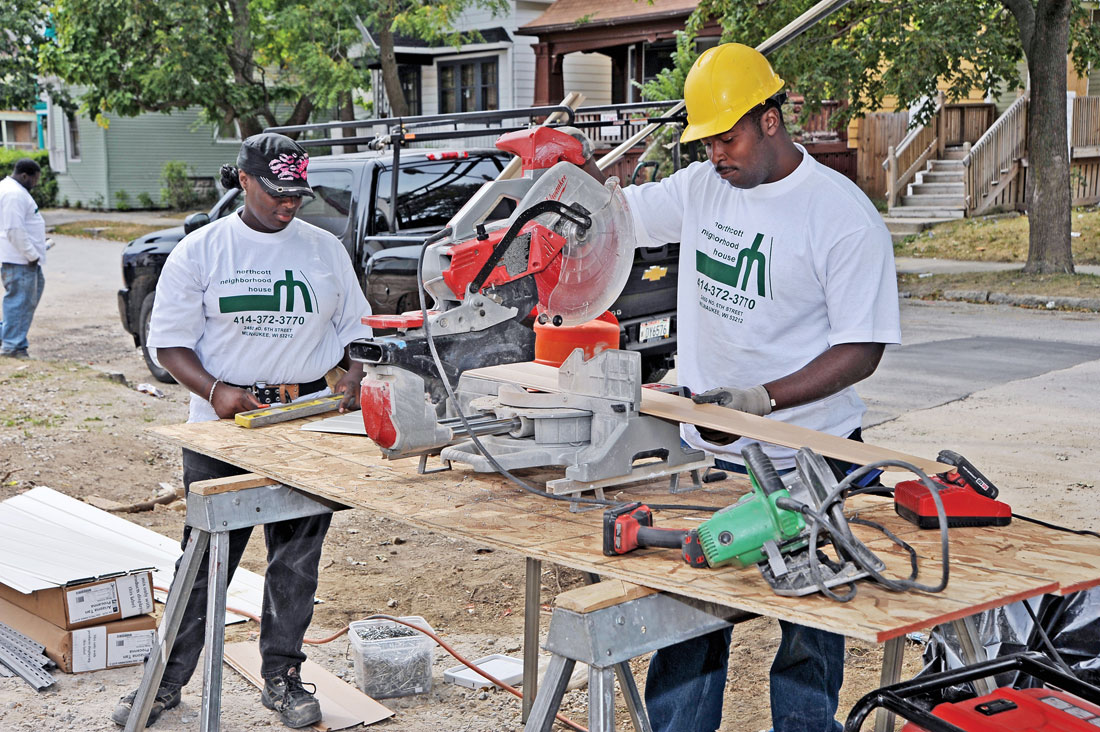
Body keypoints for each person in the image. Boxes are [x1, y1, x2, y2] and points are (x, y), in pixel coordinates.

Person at [585, 43, 900, 731]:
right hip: (711, 458)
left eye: (727, 138)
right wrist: (583, 182)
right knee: (689, 624)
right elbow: (615, 221)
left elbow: (862, 348)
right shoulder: (703, 187)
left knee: (811, 632)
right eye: (706, 143)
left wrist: (762, 402)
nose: (717, 155)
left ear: (771, 120)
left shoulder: (839, 216)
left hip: (811, 456)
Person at [111, 133, 373, 730]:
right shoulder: (203, 251)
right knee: (205, 561)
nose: (290, 204)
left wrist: (353, 377)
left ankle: (281, 678)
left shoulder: (324, 249)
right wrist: (216, 392)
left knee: (297, 557)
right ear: (244, 182)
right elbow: (170, 343)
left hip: (307, 423)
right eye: (278, 192)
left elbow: (359, 328)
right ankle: (165, 682)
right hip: (223, 425)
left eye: (298, 194)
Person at [0, 158, 47, 359]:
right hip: (20, 260)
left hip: (22, 259)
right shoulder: (13, 194)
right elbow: (14, 229)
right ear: (25, 175)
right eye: (35, 179)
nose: (36, 183)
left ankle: (8, 337)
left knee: (25, 300)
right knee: (19, 302)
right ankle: (12, 347)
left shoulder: (11, 189)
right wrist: (31, 254)